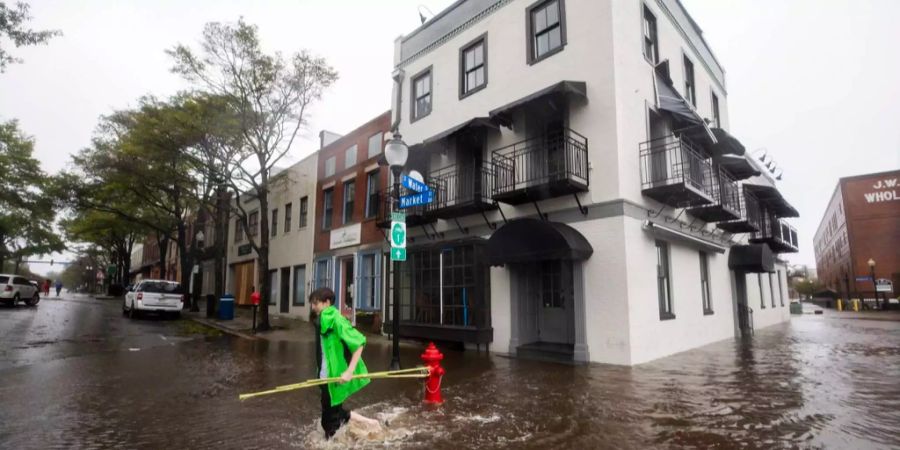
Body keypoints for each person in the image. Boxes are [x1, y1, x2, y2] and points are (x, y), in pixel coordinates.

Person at [309, 287, 380, 439]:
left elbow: (359, 342)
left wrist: (349, 372)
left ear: (327, 302)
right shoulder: (322, 320)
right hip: (324, 377)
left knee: (329, 423)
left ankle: (341, 442)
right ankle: (371, 424)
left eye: (315, 303)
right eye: (312, 303)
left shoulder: (336, 319)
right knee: (333, 412)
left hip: (335, 377)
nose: (312, 307)